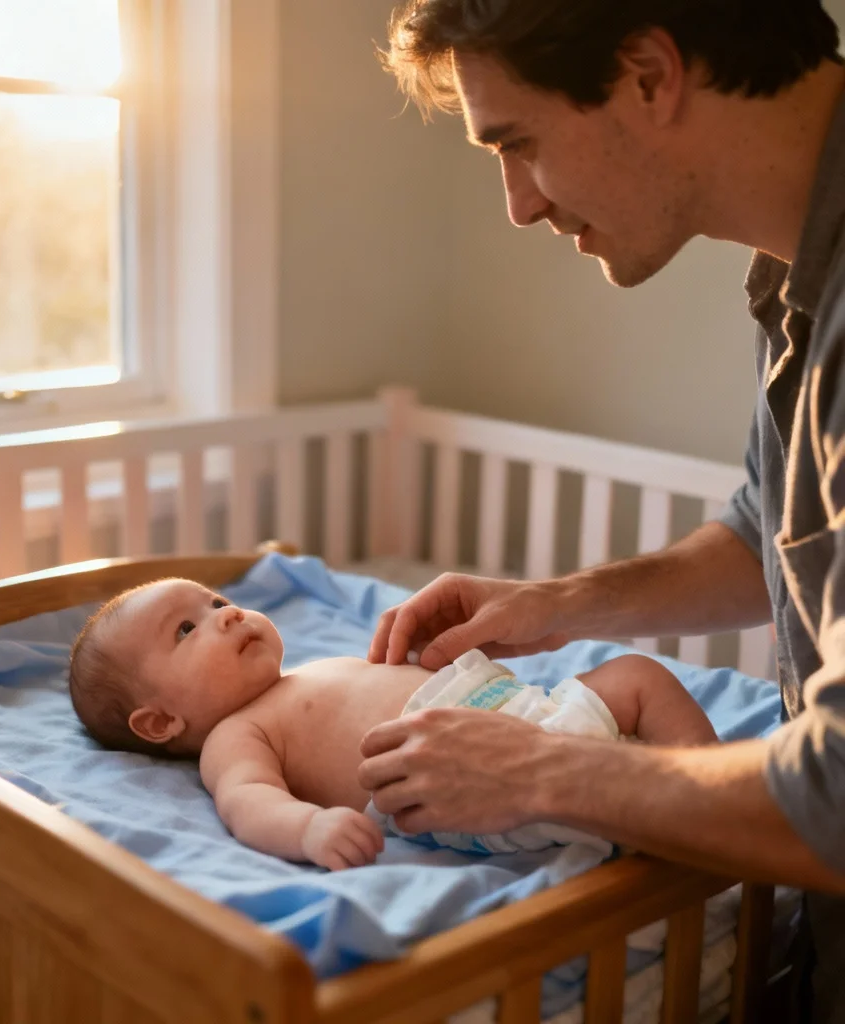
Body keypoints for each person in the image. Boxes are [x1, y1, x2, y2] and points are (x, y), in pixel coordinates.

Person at [360, 2, 845, 1019]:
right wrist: (556, 603)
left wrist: (544, 767)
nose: (517, 206)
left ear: (646, 74)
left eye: (518, 141)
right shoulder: (794, 274)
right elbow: (767, 534)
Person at [67, 577, 716, 870]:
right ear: (159, 722)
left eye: (217, 601)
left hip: (535, 715)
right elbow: (247, 801)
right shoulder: (237, 737)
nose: (227, 615)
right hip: (476, 788)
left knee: (637, 674)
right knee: (621, 728)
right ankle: (684, 826)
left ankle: (705, 793)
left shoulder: (313, 669)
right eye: (187, 629)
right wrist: (311, 828)